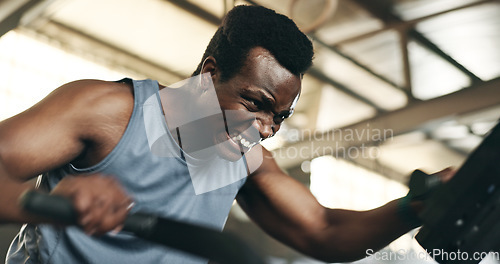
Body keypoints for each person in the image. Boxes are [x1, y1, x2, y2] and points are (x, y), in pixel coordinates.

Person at [0, 5, 450, 264]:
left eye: (280, 117)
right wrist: (49, 207)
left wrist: (413, 208)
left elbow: (324, 232)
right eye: (254, 104)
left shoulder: (243, 157)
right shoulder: (107, 111)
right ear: (208, 74)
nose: (265, 129)